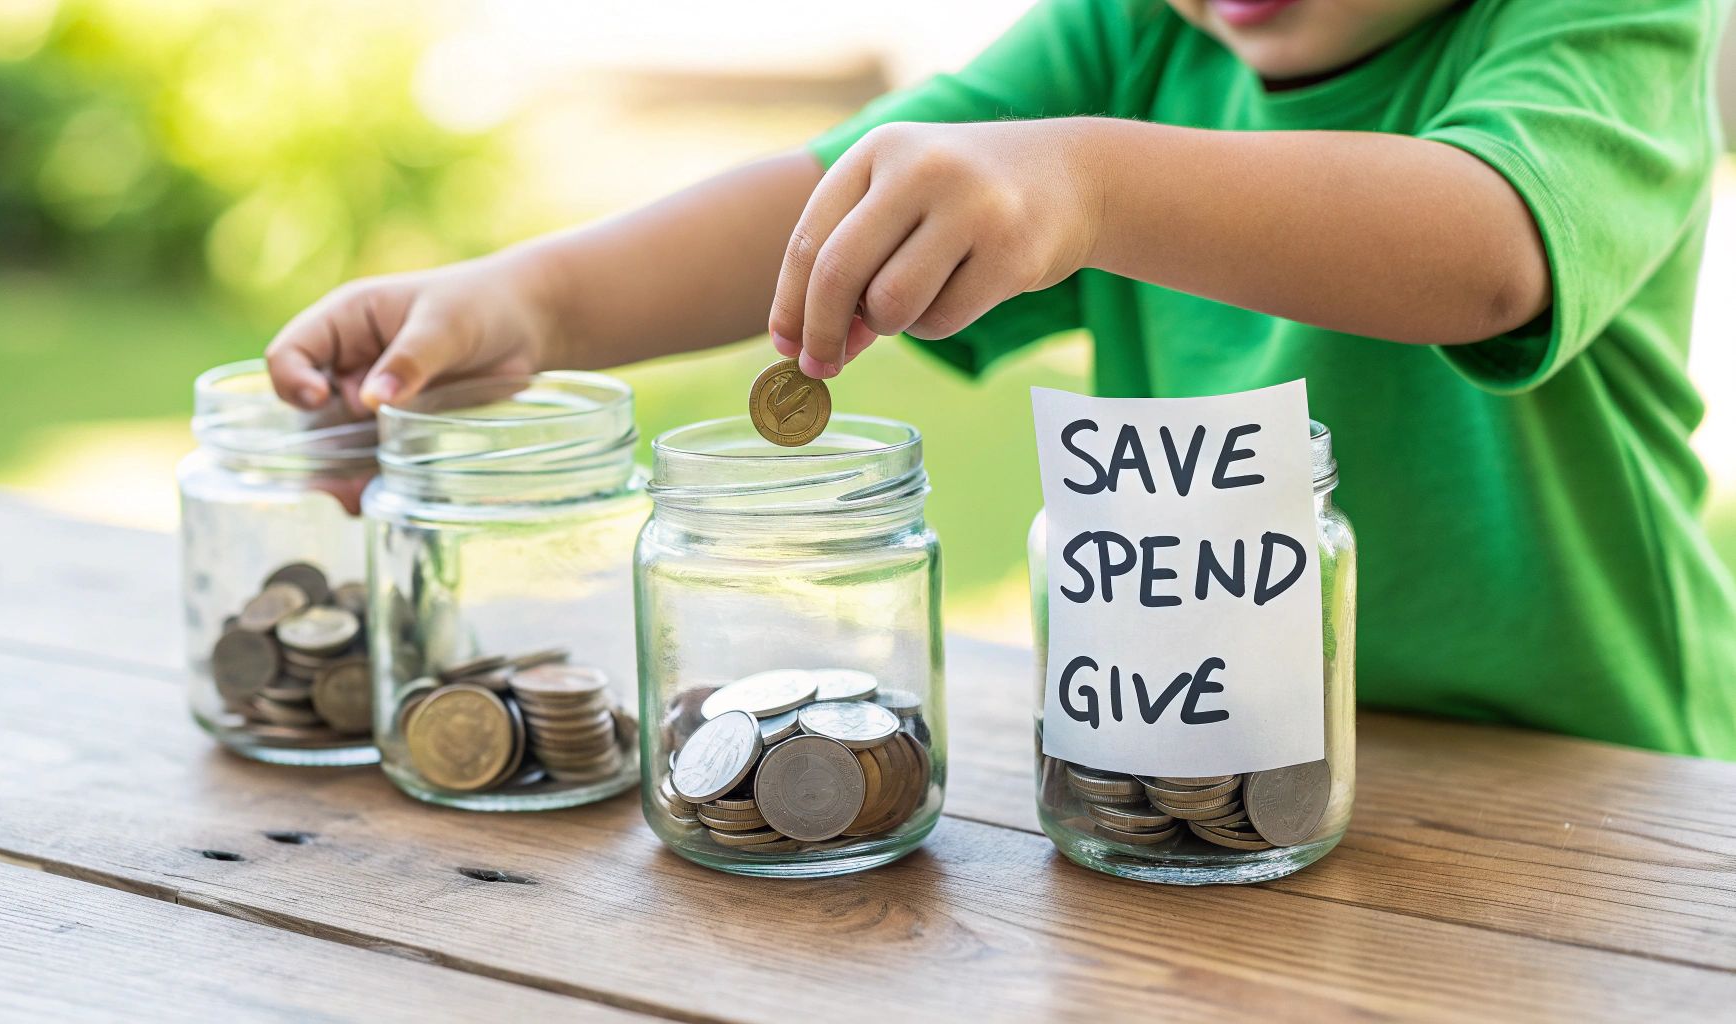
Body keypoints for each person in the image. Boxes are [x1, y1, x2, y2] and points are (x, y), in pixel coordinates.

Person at [264, 0, 1736, 758]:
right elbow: (842, 196)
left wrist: (1091, 181)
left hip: (1587, 768)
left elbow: (1487, 247)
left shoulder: (1606, 17)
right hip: (1197, 764)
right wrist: (531, 301)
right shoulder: (1126, 37)